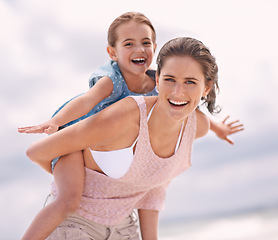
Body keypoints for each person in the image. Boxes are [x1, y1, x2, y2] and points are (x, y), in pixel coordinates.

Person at [23, 36, 241, 240]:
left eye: (190, 82)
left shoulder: (196, 127)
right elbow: (37, 152)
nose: (177, 92)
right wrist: (69, 185)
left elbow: (152, 191)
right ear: (157, 79)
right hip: (75, 224)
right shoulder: (123, 117)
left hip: (126, 228)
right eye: (170, 79)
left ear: (206, 87)